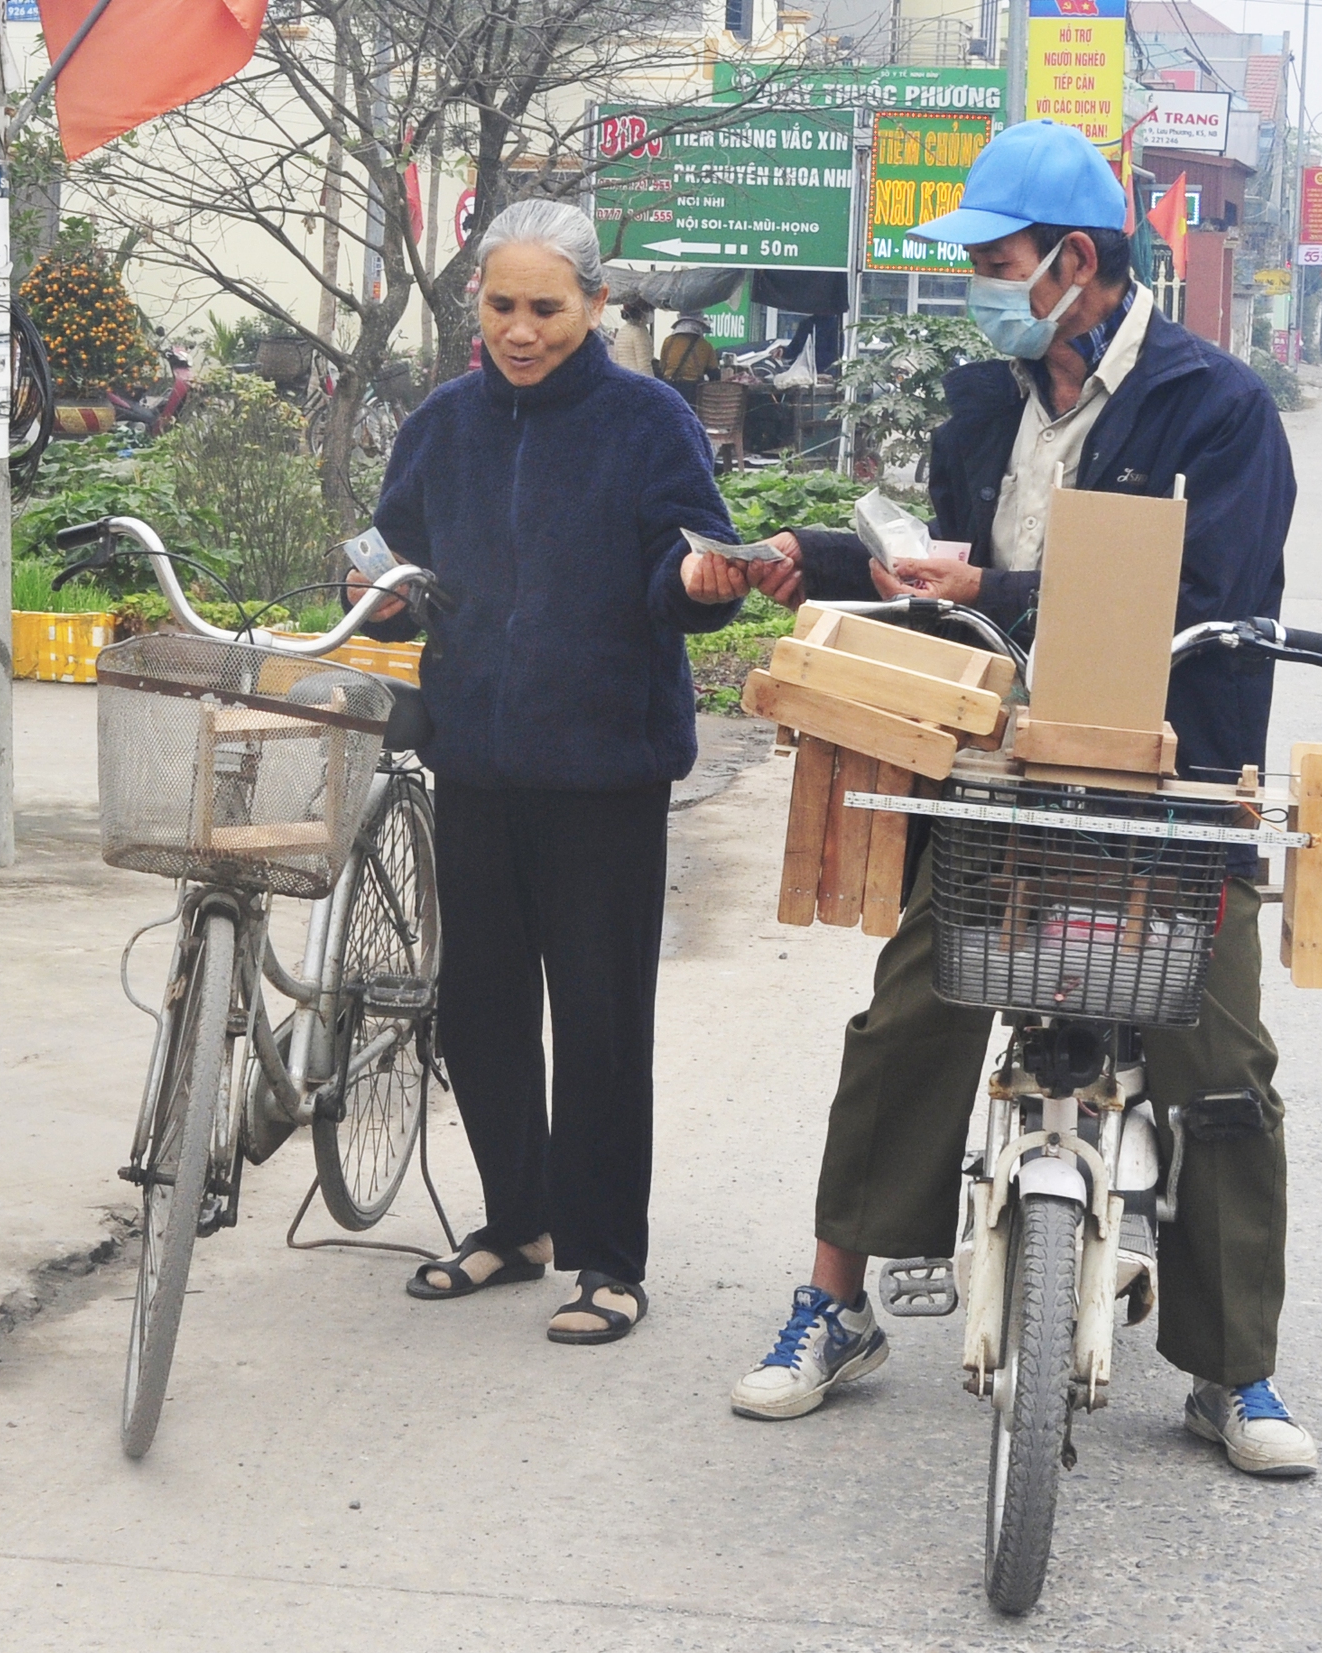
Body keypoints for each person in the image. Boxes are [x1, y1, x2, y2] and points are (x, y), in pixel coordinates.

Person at [726, 119, 1320, 1478]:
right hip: (997, 774)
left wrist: (992, 592)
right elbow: (935, 579)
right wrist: (806, 558)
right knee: (903, 1024)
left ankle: (1236, 1372)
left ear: (1078, 261)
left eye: (997, 261)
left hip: (1171, 787)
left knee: (1221, 1068)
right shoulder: (987, 400)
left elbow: (1209, 598)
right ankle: (836, 1301)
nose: (981, 287)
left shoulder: (1214, 406)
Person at [343, 200, 793, 1345]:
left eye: (546, 307)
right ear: (477, 306)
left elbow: (687, 555)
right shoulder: (444, 425)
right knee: (479, 1013)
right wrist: (385, 591)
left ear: (594, 305)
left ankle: (608, 1259)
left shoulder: (647, 422)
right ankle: (516, 1226)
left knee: (596, 1022)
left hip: (605, 771)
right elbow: (398, 551)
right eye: (501, 306)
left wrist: (693, 587)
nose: (521, 329)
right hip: (477, 760)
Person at [659, 312, 717, 395]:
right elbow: (714, 374)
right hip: (692, 391)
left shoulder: (668, 341)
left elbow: (662, 367)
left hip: (670, 387)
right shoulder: (705, 345)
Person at [611, 296, 657, 376]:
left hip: (624, 378)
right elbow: (644, 365)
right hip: (637, 382)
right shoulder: (639, 332)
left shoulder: (622, 331)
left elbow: (616, 359)